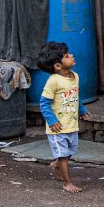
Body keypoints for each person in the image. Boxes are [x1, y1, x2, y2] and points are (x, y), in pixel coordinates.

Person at [37, 42, 91, 194]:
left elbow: (76, 97)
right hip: (57, 128)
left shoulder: (75, 77)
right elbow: (44, 103)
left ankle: (56, 164)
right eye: (67, 56)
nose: (72, 56)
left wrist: (82, 110)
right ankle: (67, 183)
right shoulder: (53, 81)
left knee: (70, 152)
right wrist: (52, 121)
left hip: (71, 125)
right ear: (58, 66)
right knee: (63, 156)